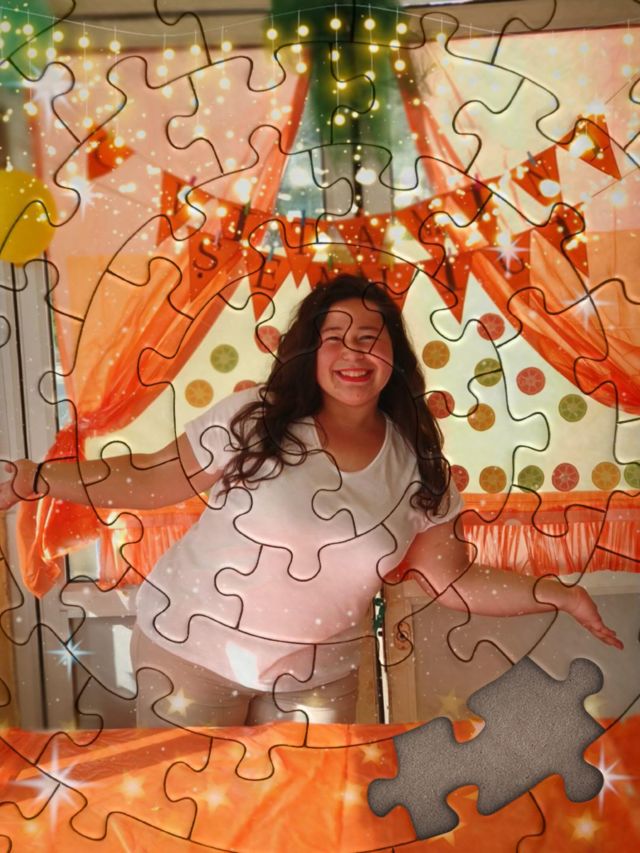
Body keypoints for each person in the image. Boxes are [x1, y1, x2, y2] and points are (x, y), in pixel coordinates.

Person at [1, 274, 622, 729]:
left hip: (317, 681)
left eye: (370, 339)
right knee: (195, 823)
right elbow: (156, 476)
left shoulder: (419, 464)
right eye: (335, 338)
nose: (354, 353)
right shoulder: (255, 418)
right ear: (310, 351)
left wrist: (559, 593)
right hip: (189, 655)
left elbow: (453, 578)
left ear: (395, 356)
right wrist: (35, 478)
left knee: (311, 828)